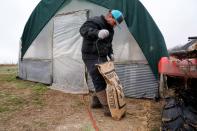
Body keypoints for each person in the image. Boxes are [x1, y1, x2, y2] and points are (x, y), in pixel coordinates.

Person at [80, 10, 124, 116]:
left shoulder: (111, 30)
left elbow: (108, 44)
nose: (114, 26)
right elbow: (83, 30)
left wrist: (111, 53)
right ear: (110, 16)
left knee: (105, 77)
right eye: (114, 23)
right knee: (97, 77)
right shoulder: (95, 21)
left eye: (116, 25)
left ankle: (96, 101)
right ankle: (107, 107)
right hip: (90, 55)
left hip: (102, 56)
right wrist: (97, 33)